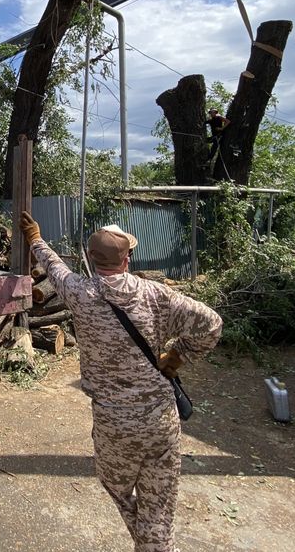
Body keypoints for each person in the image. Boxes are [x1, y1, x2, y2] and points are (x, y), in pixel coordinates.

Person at [18, 212, 223, 552]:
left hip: (113, 422)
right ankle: (155, 542)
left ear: (92, 259)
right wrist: (178, 356)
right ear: (128, 258)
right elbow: (212, 324)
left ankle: (150, 541)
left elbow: (55, 269)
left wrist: (36, 239)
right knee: (159, 507)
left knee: (116, 487)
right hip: (159, 418)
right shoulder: (157, 295)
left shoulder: (79, 294)